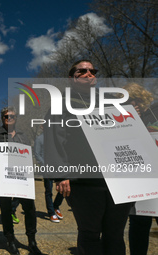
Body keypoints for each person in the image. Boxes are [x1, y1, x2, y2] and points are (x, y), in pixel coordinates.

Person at [43, 60, 133, 255]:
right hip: (84, 181)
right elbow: (54, 139)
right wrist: (60, 175)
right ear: (71, 78)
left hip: (117, 179)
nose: (88, 74)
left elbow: (125, 133)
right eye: (82, 71)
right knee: (90, 233)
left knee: (115, 233)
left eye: (92, 71)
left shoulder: (110, 102)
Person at [0, 106, 42, 255]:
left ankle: (32, 240)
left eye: (12, 116)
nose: (9, 118)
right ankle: (10, 240)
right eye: (6, 116)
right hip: (4, 176)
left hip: (21, 176)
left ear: (16, 118)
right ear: (2, 119)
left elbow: (28, 153)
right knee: (6, 210)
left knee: (30, 208)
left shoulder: (22, 135)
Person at [120, 83, 158, 255]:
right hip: (138, 181)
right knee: (138, 223)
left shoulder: (154, 113)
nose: (135, 105)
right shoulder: (121, 118)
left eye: (137, 101)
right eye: (128, 101)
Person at [34, 130, 64, 223]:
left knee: (63, 188)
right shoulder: (39, 139)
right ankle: (51, 213)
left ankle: (56, 206)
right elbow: (37, 154)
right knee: (49, 190)